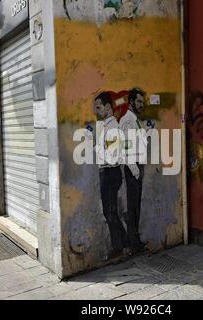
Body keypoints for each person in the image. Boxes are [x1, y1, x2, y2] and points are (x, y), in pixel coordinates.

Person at [93, 92, 128, 259]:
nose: (96, 110)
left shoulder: (112, 128)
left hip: (110, 172)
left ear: (108, 107)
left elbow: (112, 155)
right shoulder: (107, 126)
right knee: (110, 212)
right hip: (108, 172)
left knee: (110, 212)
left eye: (98, 106)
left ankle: (118, 248)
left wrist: (96, 149)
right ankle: (125, 242)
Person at [119, 88, 148, 254]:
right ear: (130, 102)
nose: (141, 105)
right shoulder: (127, 121)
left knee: (136, 205)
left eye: (142, 102)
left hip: (138, 166)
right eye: (138, 101)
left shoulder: (135, 120)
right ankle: (133, 243)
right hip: (133, 168)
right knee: (132, 206)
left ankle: (135, 241)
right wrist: (135, 169)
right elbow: (125, 148)